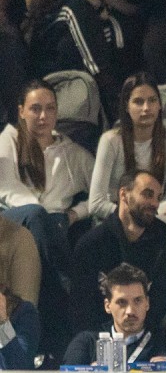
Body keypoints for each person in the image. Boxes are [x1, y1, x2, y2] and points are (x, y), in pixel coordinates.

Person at [0, 81, 94, 298]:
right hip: (12, 218)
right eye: (35, 109)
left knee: (50, 223)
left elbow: (104, 193)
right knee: (36, 214)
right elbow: (6, 187)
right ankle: (68, 286)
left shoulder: (73, 154)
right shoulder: (8, 139)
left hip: (53, 225)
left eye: (50, 108)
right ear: (21, 111)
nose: (43, 116)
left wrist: (75, 214)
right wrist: (41, 213)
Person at [72, 170, 166, 333]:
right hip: (99, 336)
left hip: (146, 336)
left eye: (158, 197)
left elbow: (158, 306)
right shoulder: (91, 244)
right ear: (124, 194)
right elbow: (82, 309)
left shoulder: (164, 245)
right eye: (148, 195)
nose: (155, 204)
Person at [87, 73, 166, 228]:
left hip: (153, 214)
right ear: (127, 106)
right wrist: (133, 215)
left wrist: (163, 207)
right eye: (138, 102)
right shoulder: (111, 141)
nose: (146, 108)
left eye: (152, 100)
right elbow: (96, 203)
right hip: (115, 217)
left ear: (160, 105)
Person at [62, 262, 166, 367]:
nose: (130, 311)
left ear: (147, 303)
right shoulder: (87, 343)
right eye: (122, 302)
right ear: (107, 306)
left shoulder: (165, 344)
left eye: (137, 300)